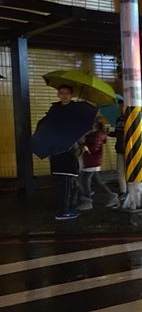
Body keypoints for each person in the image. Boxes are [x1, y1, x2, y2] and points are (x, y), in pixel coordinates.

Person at [47, 85, 82, 220]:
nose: (64, 95)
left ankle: (68, 207)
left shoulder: (76, 110)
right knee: (64, 183)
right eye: (61, 93)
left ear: (71, 94)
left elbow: (79, 128)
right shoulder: (54, 109)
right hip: (58, 151)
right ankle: (64, 211)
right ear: (58, 95)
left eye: (67, 93)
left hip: (70, 150)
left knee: (70, 182)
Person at [78, 117, 119, 209]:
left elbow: (94, 149)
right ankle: (111, 196)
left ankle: (87, 200)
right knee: (96, 180)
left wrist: (84, 144)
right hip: (92, 160)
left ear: (94, 124)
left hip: (92, 161)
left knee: (84, 179)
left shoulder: (97, 135)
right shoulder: (94, 134)